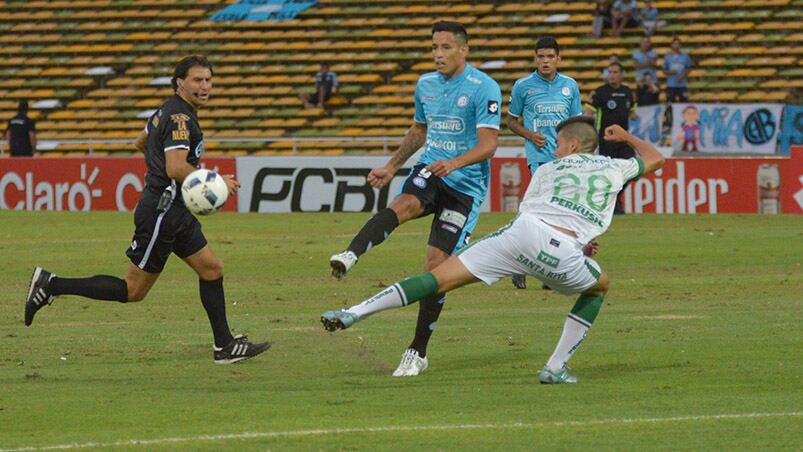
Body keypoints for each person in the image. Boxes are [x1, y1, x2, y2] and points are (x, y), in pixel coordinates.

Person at [321, 116, 665, 384]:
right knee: (600, 285)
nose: (556, 150)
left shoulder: (547, 169)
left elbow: (537, 211)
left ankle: (355, 311)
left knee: (438, 279)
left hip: (520, 236)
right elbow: (656, 158)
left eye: (560, 145)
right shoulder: (615, 167)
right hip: (564, 251)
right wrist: (625, 138)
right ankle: (555, 367)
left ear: (573, 147)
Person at [24, 55, 270, 364]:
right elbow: (176, 166)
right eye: (197, 80)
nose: (205, 86)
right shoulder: (180, 118)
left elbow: (140, 141)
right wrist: (214, 180)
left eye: (208, 79)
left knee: (212, 269)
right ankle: (51, 285)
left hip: (174, 209)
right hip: (162, 212)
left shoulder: (166, 111)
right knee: (133, 290)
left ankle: (224, 346)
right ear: (180, 82)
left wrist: (159, 169)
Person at [328, 21, 502, 377]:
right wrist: (392, 166)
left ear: (463, 50)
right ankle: (351, 253)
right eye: (434, 47)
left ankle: (417, 351)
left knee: (435, 268)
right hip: (430, 170)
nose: (438, 54)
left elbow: (489, 146)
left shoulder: (484, 87)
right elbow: (420, 131)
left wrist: (453, 163)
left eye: (446, 48)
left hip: (465, 187)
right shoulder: (425, 84)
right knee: (402, 204)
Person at [506, 36, 581, 290]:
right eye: (541, 57)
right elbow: (511, 121)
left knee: (556, 214)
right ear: (535, 59)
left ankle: (547, 268)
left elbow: (576, 125)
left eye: (550, 56)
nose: (545, 61)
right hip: (539, 159)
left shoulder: (570, 86)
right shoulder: (523, 86)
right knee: (539, 212)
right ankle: (522, 264)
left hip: (565, 160)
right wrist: (529, 134)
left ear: (558, 59)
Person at [585, 62, 636, 214]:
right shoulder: (600, 92)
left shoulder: (627, 92)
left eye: (615, 72)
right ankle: (612, 204)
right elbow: (589, 113)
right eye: (610, 72)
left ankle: (615, 198)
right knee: (609, 173)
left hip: (624, 139)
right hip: (607, 139)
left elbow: (632, 112)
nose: (612, 75)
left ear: (621, 74)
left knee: (633, 167)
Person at [663, 37, 693, 103]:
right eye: (674, 43)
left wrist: (683, 76)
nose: (676, 45)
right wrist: (670, 72)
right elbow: (664, 71)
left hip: (682, 85)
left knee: (684, 103)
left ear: (680, 45)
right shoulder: (667, 57)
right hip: (671, 85)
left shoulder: (685, 56)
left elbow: (689, 68)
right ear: (671, 45)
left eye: (678, 44)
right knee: (669, 104)